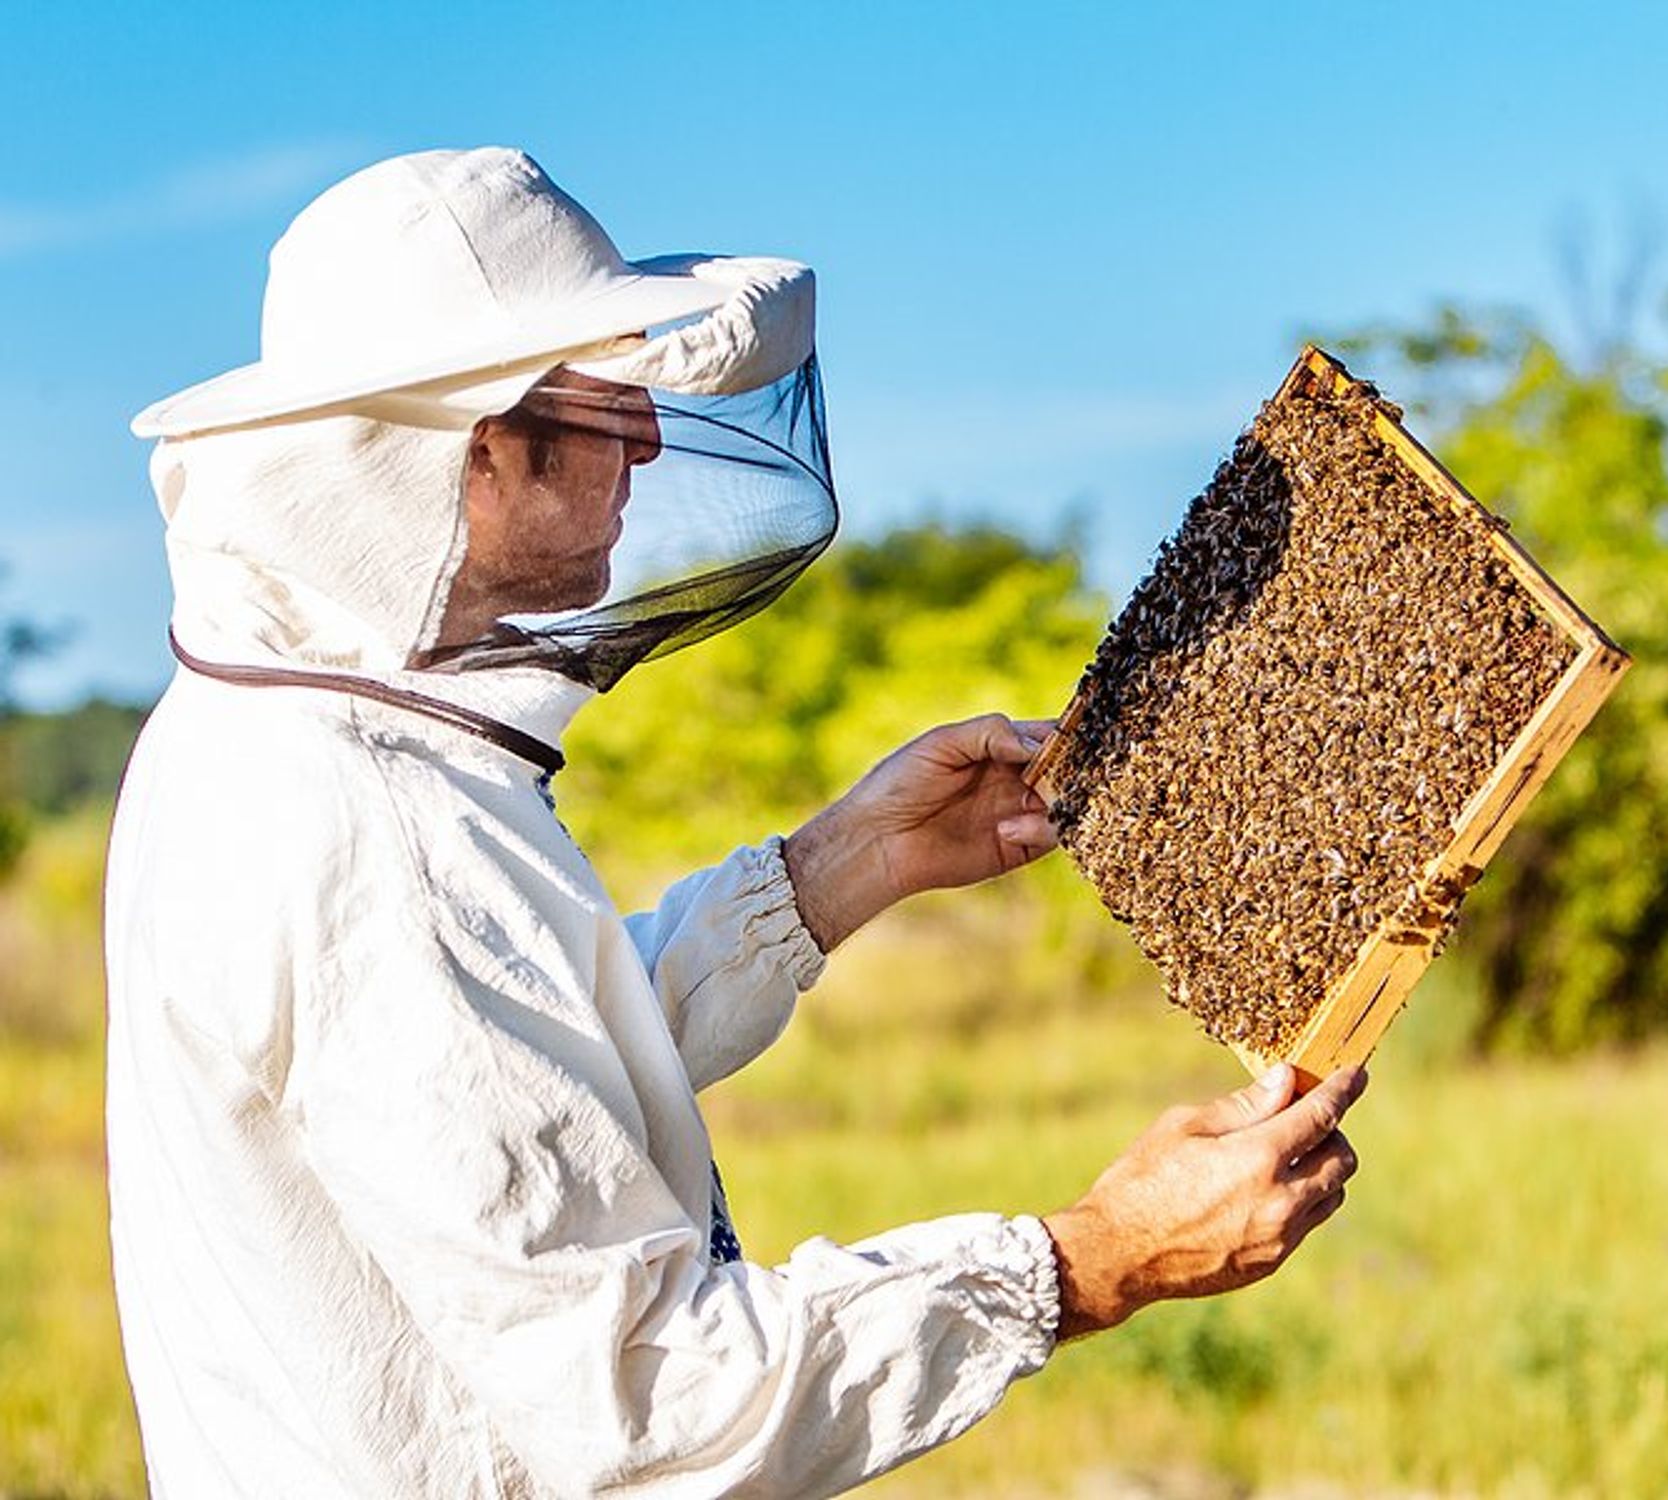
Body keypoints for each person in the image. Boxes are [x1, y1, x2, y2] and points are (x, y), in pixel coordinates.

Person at [104, 146, 1365, 1499]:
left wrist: (840, 866)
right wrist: (1092, 1257)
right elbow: (653, 1403)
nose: (648, 438)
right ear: (477, 459)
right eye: (605, 404)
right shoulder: (373, 835)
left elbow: (508, 1070)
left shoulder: (255, 737)